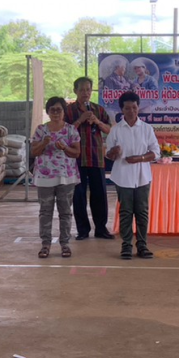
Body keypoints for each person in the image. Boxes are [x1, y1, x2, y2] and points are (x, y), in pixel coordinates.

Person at [105, 92, 159, 260]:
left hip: (143, 176)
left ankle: (142, 245)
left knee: (142, 211)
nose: (131, 111)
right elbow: (108, 155)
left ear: (138, 108)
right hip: (123, 177)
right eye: (127, 108)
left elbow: (156, 153)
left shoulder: (147, 129)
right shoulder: (116, 130)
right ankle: (126, 246)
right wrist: (114, 151)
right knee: (126, 212)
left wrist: (140, 158)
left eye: (134, 107)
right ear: (122, 109)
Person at [64, 76, 114, 241]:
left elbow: (109, 130)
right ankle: (82, 230)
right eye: (82, 90)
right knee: (78, 195)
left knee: (99, 194)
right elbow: (64, 132)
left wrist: (97, 122)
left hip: (96, 157)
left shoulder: (98, 110)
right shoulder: (68, 111)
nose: (85, 93)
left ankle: (101, 228)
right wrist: (80, 120)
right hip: (76, 159)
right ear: (75, 91)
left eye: (88, 89)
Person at [30, 97, 81, 259]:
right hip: (45, 178)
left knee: (65, 212)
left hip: (66, 177)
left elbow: (76, 153)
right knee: (45, 211)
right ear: (48, 112)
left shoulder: (71, 130)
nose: (56, 113)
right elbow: (34, 152)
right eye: (52, 110)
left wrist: (65, 147)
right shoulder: (41, 130)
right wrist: (44, 143)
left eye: (59, 109)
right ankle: (45, 244)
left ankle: (65, 243)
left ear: (64, 112)